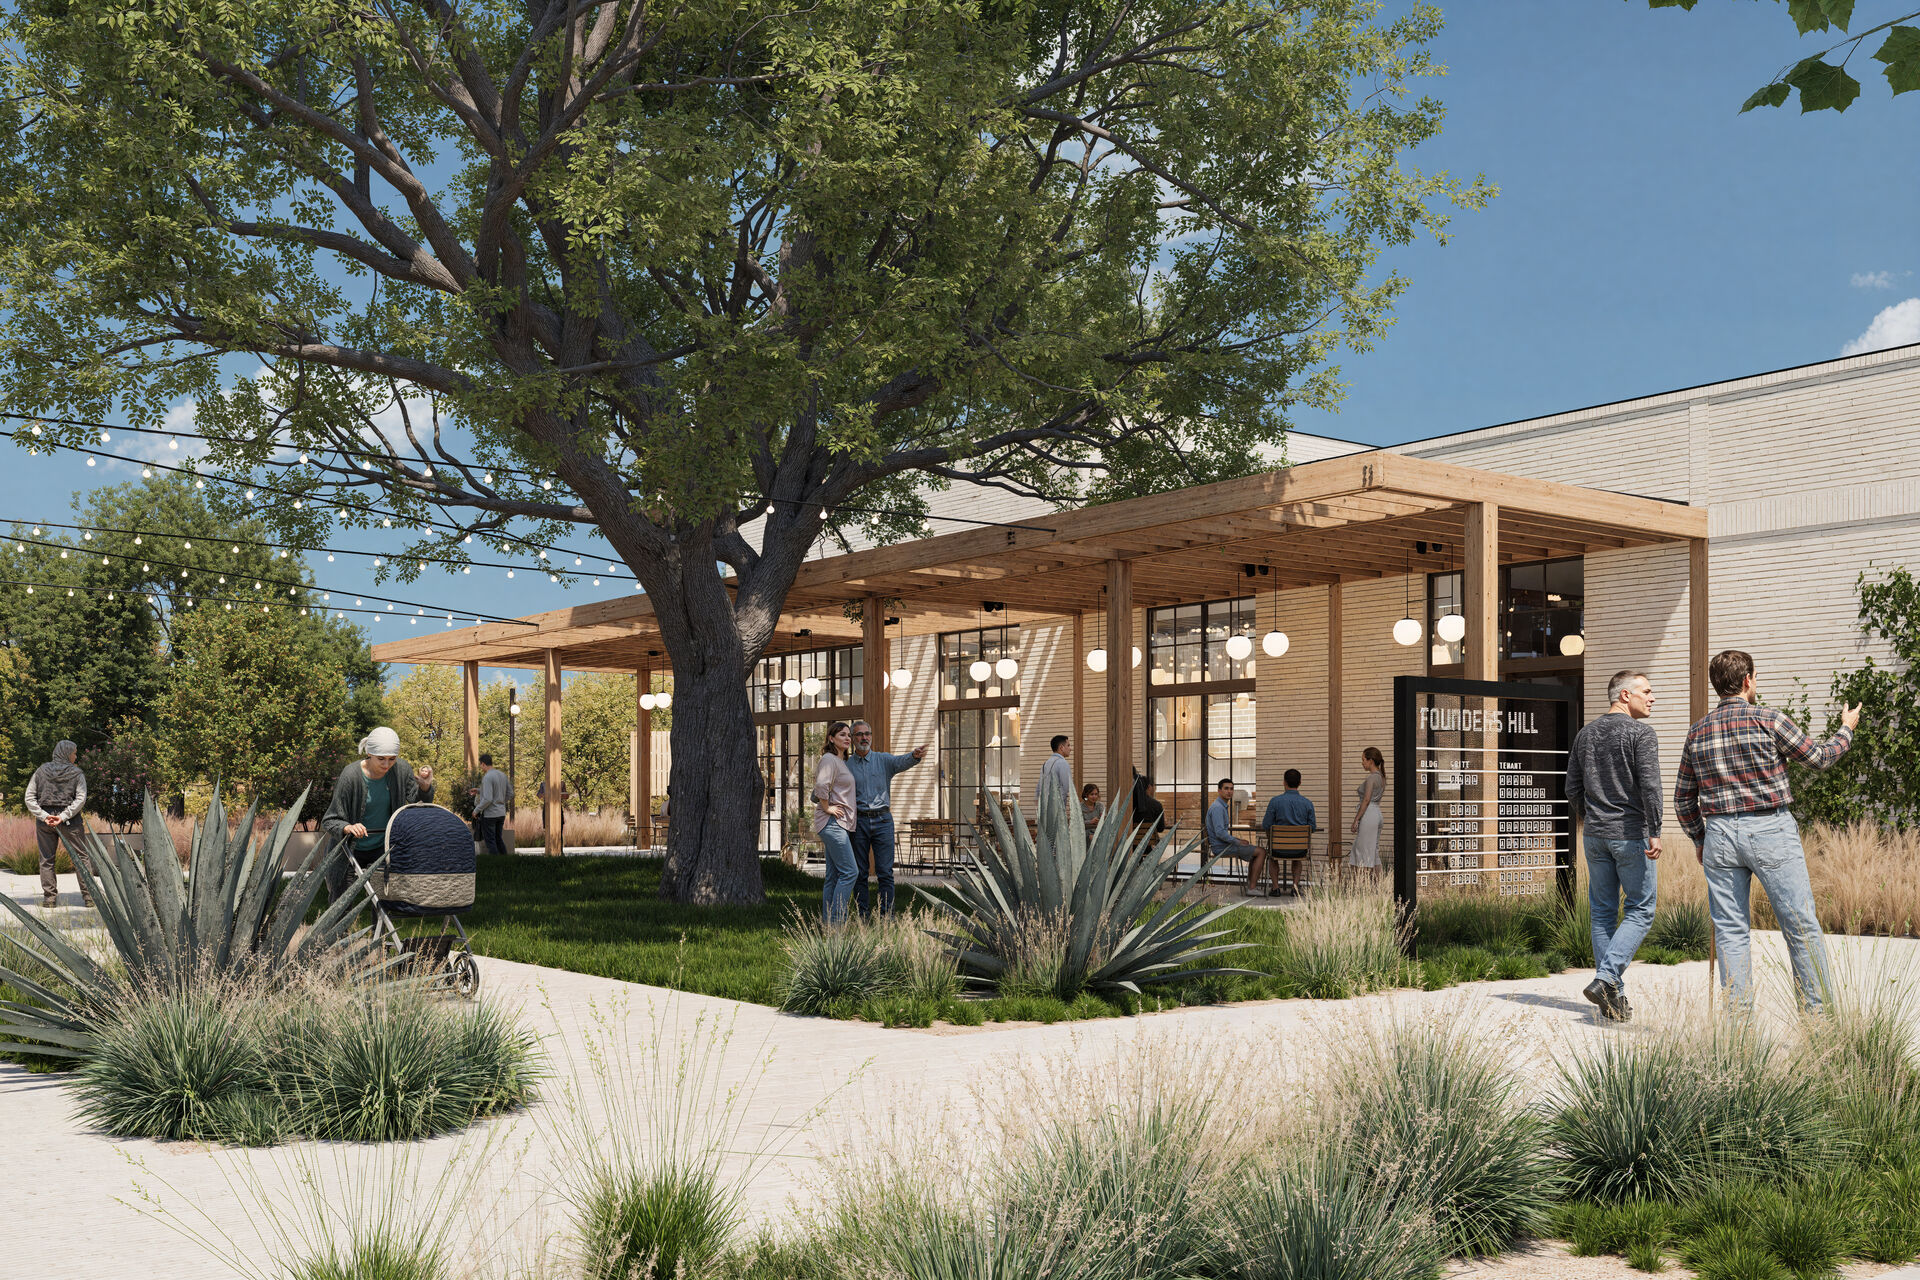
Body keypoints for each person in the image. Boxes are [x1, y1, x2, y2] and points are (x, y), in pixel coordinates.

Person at [1675, 649, 1859, 1015]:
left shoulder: (1696, 732)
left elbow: (1682, 799)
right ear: (1747, 681)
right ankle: (1818, 1020)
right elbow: (1820, 758)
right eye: (1754, 678)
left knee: (1730, 932)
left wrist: (1700, 839)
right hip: (1770, 828)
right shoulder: (1770, 720)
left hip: (1720, 836)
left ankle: (1738, 1030)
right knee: (1800, 925)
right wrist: (1846, 729)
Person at [1565, 670, 1664, 1022]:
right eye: (1647, 692)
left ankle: (1613, 998)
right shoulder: (1641, 733)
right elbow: (1651, 786)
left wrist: (1591, 818)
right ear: (1624, 695)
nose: (1652, 698)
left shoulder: (1585, 734)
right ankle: (1607, 978)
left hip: (1594, 835)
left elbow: (1571, 788)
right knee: (1641, 909)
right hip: (1631, 833)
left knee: (1603, 912)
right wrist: (1655, 830)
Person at [320, 727, 436, 901]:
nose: (387, 764)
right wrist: (348, 827)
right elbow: (330, 820)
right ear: (369, 753)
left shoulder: (401, 769)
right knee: (341, 904)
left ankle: (380, 930)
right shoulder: (350, 775)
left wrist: (425, 787)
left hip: (383, 848)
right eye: (381, 759)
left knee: (383, 903)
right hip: (349, 850)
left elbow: (418, 804)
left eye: (392, 759)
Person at [844, 719, 927, 918]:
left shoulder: (883, 760)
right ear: (853, 739)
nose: (864, 737)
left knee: (885, 872)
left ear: (870, 736)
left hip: (883, 821)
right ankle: (862, 915)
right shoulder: (845, 765)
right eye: (859, 734)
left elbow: (901, 761)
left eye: (867, 733)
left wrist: (914, 756)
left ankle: (887, 916)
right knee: (860, 872)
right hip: (859, 822)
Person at [25, 740, 89, 909]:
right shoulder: (77, 774)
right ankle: (89, 897)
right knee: (81, 858)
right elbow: (80, 798)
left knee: (46, 859)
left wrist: (45, 816)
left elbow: (29, 798)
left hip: (45, 822)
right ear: (67, 754)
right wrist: (63, 816)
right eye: (74, 753)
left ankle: (50, 899)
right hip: (71, 821)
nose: (76, 756)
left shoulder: (41, 771)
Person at [812, 721, 859, 924]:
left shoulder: (840, 761)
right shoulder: (829, 759)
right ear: (831, 738)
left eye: (849, 735)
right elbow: (821, 785)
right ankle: (838, 924)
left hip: (839, 823)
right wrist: (827, 807)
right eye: (842, 735)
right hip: (832, 823)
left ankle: (829, 924)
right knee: (850, 872)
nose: (847, 738)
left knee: (833, 876)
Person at [1205, 776, 1268, 895]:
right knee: (1261, 852)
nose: (1229, 791)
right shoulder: (1218, 808)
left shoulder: (1221, 806)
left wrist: (1238, 839)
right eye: (1226, 788)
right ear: (1219, 791)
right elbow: (1220, 833)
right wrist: (1237, 842)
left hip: (1223, 845)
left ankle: (1251, 885)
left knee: (1255, 852)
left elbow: (1221, 832)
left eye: (1231, 789)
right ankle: (1252, 888)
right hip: (1220, 848)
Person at [1349, 747, 1385, 881]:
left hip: (1369, 814)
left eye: (1363, 760)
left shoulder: (1371, 778)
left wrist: (1356, 819)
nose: (1362, 763)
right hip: (1377, 813)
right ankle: (1378, 885)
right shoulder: (1381, 777)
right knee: (1373, 852)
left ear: (1370, 761)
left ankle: (1362, 885)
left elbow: (1366, 799)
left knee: (1362, 851)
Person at [469, 752, 511, 856]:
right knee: (498, 839)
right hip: (501, 813)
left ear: (483, 764)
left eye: (481, 765)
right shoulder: (502, 775)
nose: (481, 767)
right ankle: (506, 862)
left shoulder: (487, 777)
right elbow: (510, 793)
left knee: (490, 841)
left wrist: (476, 810)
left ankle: (495, 865)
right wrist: (479, 791)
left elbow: (487, 799)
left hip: (490, 815)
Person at [1040, 735, 1075, 812]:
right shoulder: (1062, 763)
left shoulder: (1045, 764)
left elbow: (1041, 786)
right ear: (1061, 747)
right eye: (1068, 745)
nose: (1070, 749)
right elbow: (1067, 787)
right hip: (1058, 807)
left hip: (1045, 807)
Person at [1130, 771, 1165, 840]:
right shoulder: (1156, 805)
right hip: (1149, 847)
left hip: (1130, 847)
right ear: (1149, 787)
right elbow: (1160, 828)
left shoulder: (1129, 805)